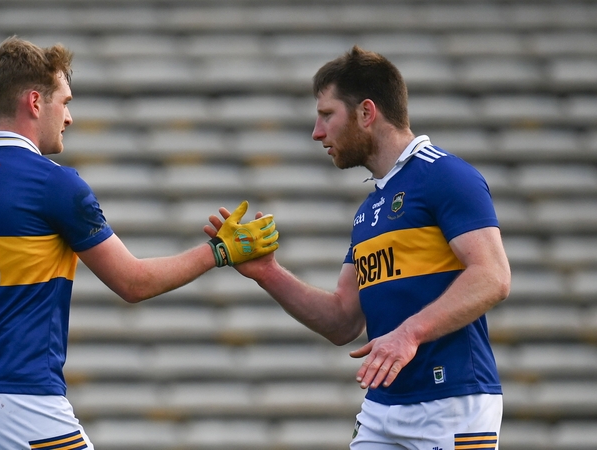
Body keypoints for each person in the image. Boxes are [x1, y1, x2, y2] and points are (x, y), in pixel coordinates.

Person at [0, 36, 278, 450]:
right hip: (20, 400)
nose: (70, 117)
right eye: (65, 101)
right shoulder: (54, 183)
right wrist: (220, 251)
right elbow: (133, 283)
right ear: (34, 102)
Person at [205, 45, 511, 449]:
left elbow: (493, 276)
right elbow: (343, 321)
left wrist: (409, 334)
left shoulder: (446, 176)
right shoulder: (370, 210)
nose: (317, 132)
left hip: (451, 403)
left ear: (366, 113)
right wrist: (268, 272)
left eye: (327, 115)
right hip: (382, 407)